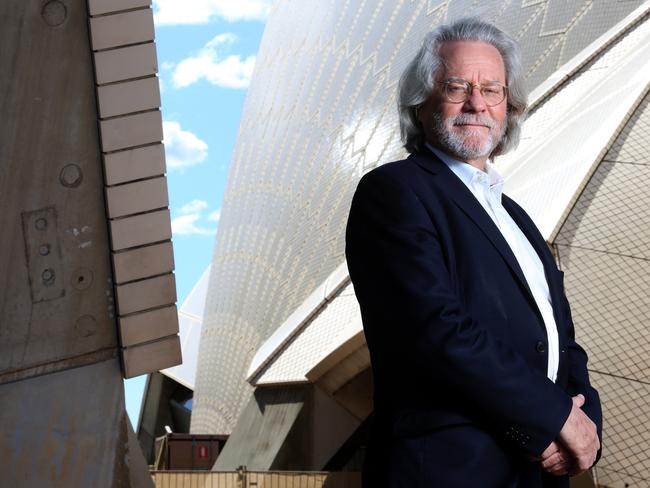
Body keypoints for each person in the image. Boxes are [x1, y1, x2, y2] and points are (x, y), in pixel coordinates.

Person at [345, 18, 602, 488]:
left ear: (509, 108)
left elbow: (559, 335)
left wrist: (586, 420)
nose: (476, 104)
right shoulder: (394, 192)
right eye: (457, 86)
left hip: (538, 470)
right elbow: (435, 330)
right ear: (421, 105)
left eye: (492, 89)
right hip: (448, 471)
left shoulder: (515, 217)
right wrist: (554, 417)